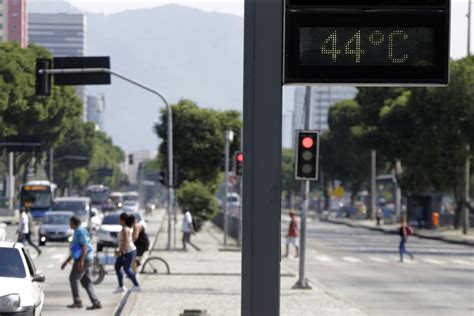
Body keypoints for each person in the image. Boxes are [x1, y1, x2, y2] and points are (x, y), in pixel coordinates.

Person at [61, 216, 101, 310]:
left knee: (73, 278)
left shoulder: (80, 232)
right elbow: (76, 249)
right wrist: (66, 262)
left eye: (70, 222)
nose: (69, 224)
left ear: (73, 223)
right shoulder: (77, 232)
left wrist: (81, 261)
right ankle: (96, 302)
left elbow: (84, 247)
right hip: (82, 258)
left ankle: (77, 301)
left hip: (83, 259)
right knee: (86, 282)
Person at [114, 213, 140, 293]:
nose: (118, 221)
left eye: (120, 219)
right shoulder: (124, 228)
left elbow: (126, 243)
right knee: (117, 266)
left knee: (126, 269)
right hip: (125, 251)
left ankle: (136, 285)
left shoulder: (125, 229)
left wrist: (120, 251)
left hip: (128, 251)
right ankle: (121, 286)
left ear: (123, 220)